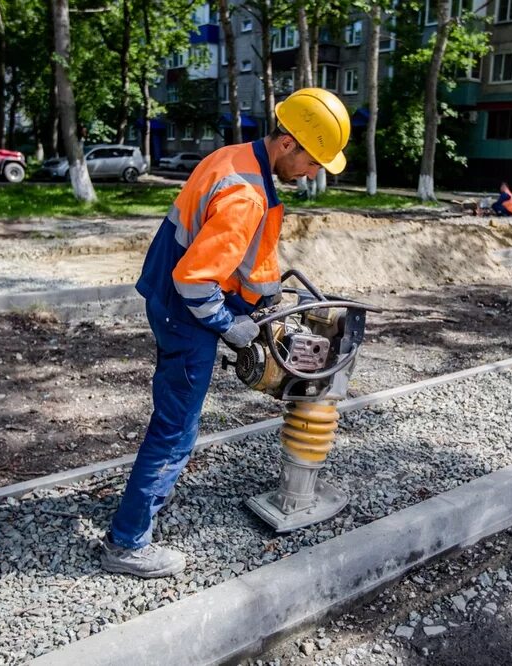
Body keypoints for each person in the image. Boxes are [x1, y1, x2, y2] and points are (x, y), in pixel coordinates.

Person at [100, 88, 351, 578]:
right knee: (174, 430)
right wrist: (228, 325)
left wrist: (262, 298)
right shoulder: (246, 193)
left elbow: (225, 254)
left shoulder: (236, 159)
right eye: (314, 160)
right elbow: (194, 279)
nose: (314, 172)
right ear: (288, 144)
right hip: (187, 312)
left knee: (178, 420)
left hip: (173, 304)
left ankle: (152, 494)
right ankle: (127, 542)